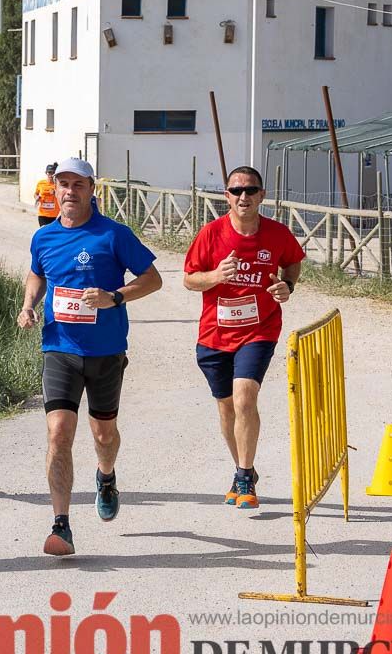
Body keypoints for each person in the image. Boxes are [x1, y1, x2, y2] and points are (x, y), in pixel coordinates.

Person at [17, 157, 162, 556]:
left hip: (106, 352)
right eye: (62, 184)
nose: (69, 192)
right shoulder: (43, 237)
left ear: (91, 189)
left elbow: (153, 279)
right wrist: (29, 304)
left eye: (77, 185)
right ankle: (61, 524)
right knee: (59, 432)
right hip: (60, 348)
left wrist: (113, 297)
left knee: (103, 435)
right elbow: (37, 273)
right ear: (54, 189)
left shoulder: (113, 235)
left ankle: (106, 475)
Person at [182, 166, 304, 510]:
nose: (243, 197)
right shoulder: (211, 234)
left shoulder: (277, 234)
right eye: (236, 191)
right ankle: (242, 469)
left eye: (250, 190)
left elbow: (292, 262)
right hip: (214, 334)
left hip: (259, 328)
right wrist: (216, 275)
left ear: (262, 195)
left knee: (244, 398)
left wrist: (288, 285)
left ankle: (245, 474)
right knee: (226, 409)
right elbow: (189, 279)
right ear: (227, 197)